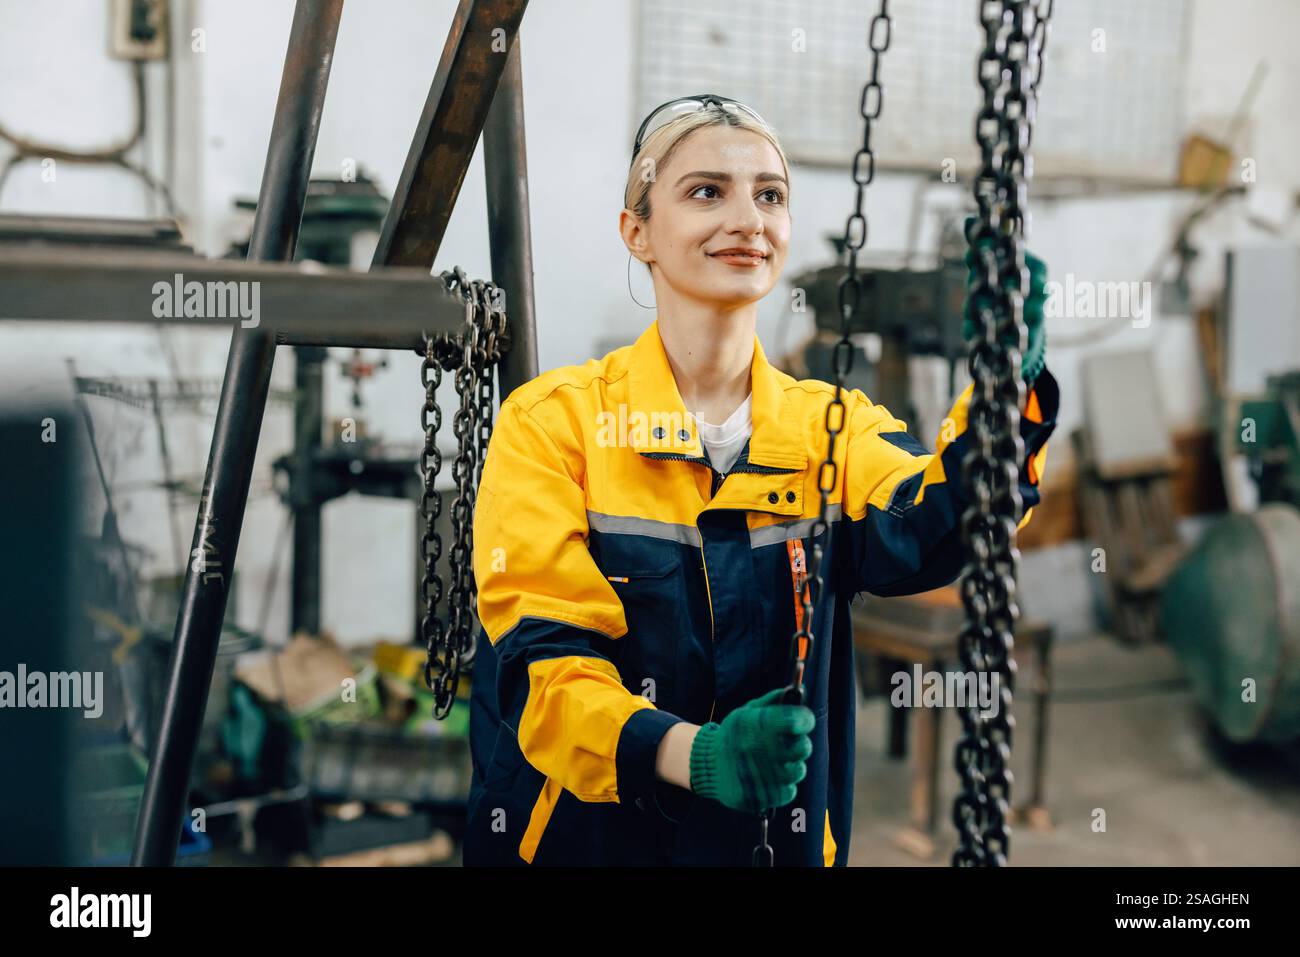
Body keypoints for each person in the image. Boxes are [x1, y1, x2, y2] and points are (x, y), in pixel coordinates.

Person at [463, 94, 1058, 866]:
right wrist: (695, 755)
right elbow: (542, 672)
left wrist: (1008, 379)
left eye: (769, 195)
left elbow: (937, 522)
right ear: (636, 231)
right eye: (707, 191)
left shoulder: (830, 428)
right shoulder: (553, 425)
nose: (748, 218)